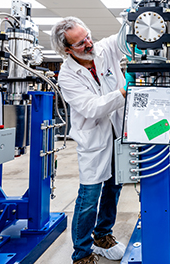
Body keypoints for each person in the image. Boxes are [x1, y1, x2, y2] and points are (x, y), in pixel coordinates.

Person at [51, 17, 133, 264]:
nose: (88, 44)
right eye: (80, 43)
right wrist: (122, 92)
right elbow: (91, 108)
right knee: (89, 197)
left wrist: (131, 16)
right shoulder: (66, 76)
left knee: (114, 188)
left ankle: (103, 235)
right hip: (93, 140)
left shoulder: (104, 48)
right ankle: (81, 253)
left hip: (119, 133)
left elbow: (123, 38)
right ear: (67, 50)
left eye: (87, 36)